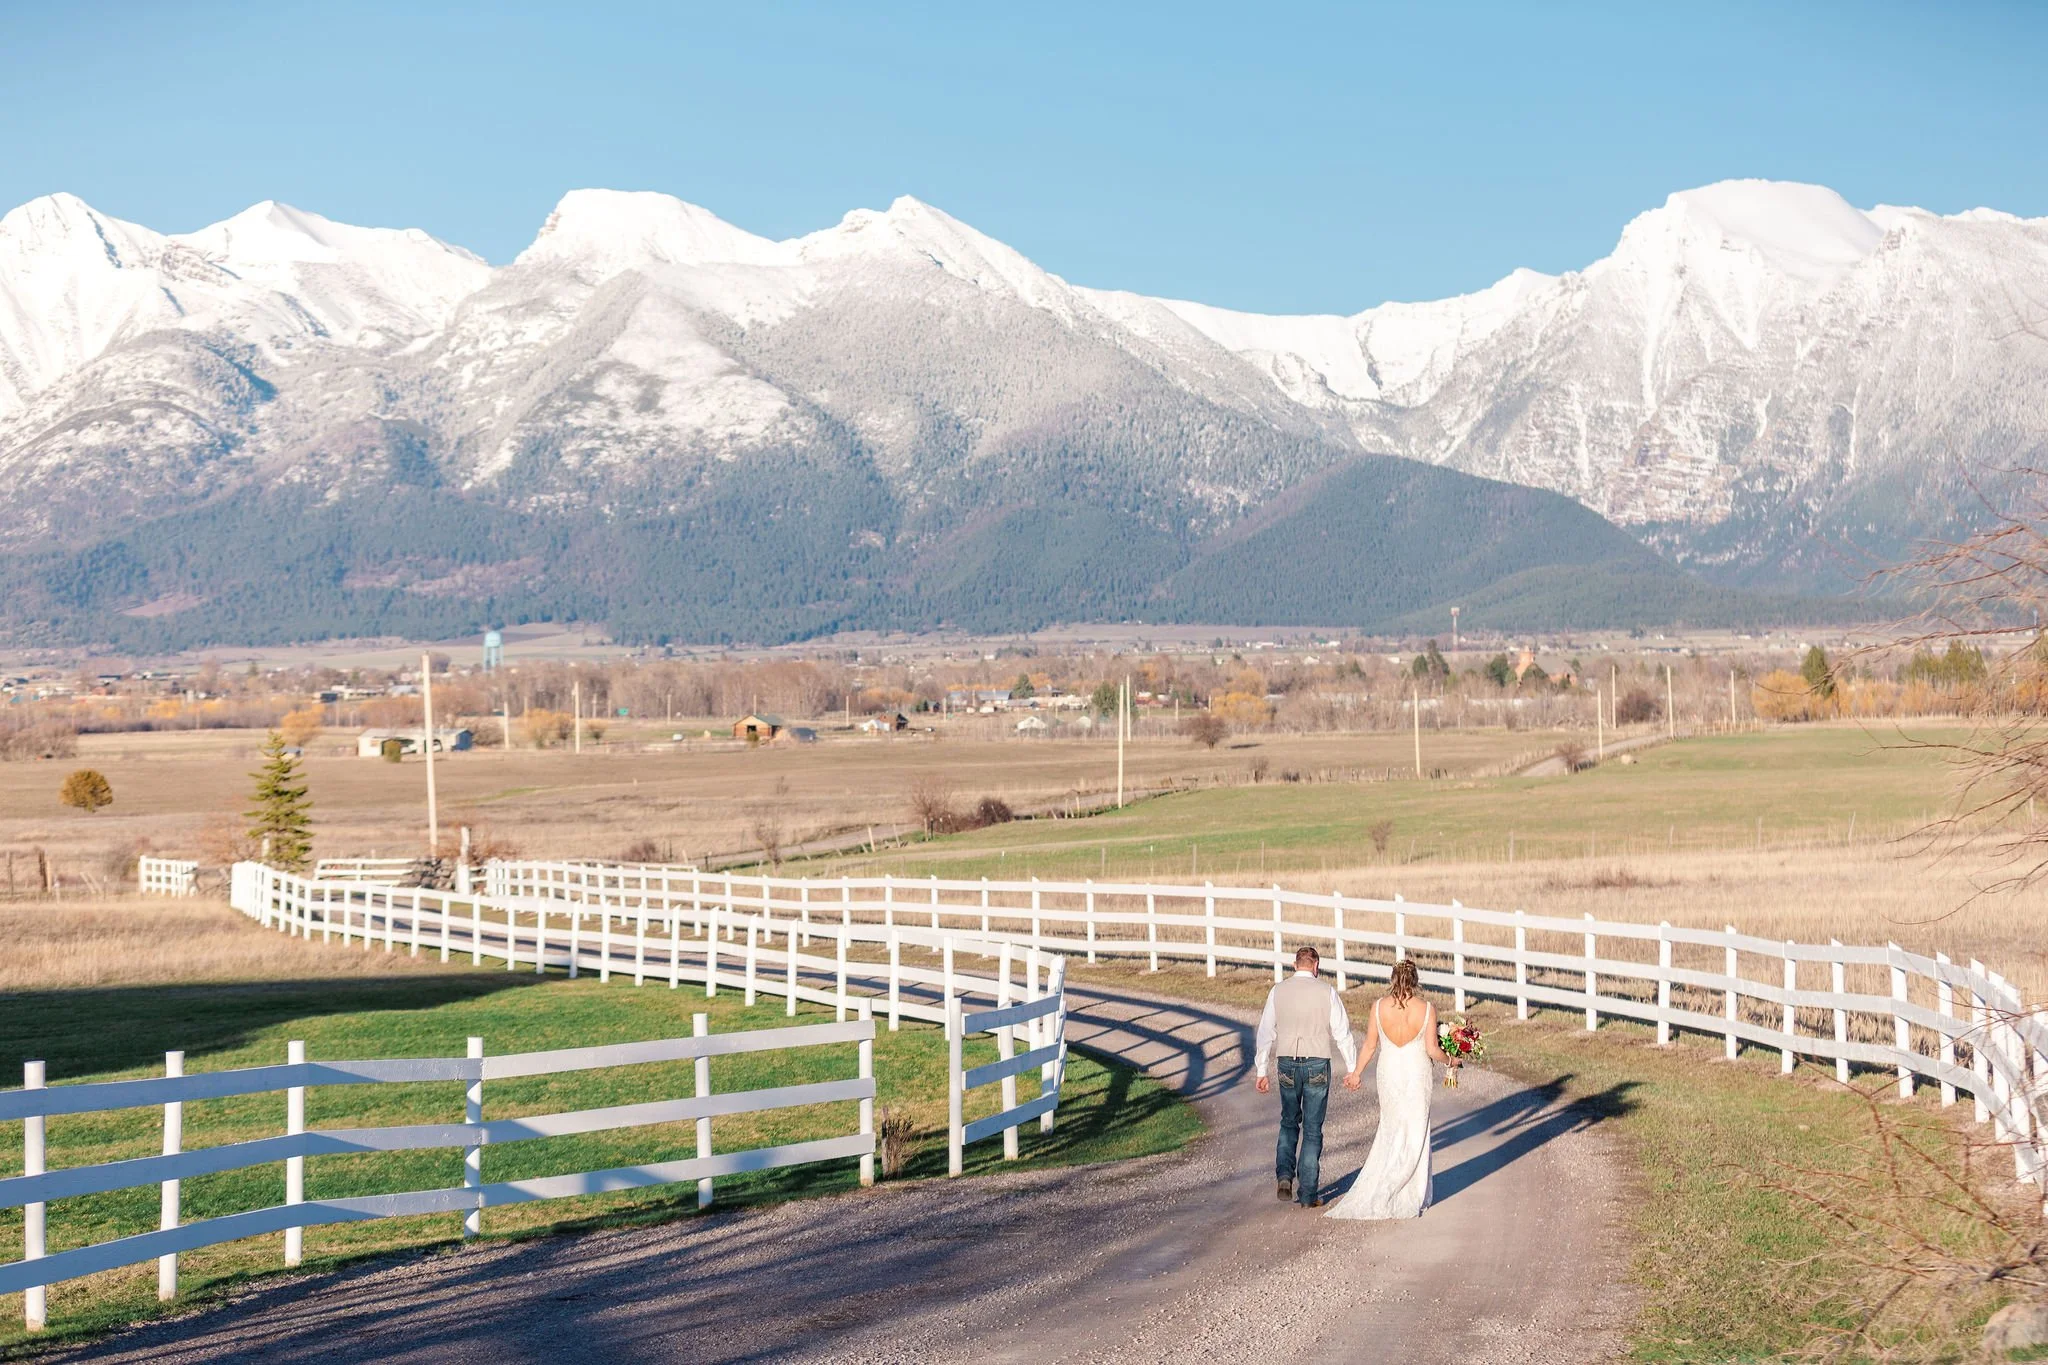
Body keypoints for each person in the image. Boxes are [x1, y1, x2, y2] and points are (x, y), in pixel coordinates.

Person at [1324, 958, 1461, 1220]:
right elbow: (1432, 1049)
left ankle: (1387, 1183)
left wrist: (1356, 1073)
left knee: (1392, 1126)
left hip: (1389, 1071)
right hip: (1415, 1070)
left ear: (1392, 980)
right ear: (1416, 981)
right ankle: (1405, 1190)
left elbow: (1369, 1046)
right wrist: (1451, 1061)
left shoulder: (1378, 1007)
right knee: (1415, 1128)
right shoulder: (1427, 1008)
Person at [1253, 945, 1359, 1208]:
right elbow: (1342, 1032)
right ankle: (1309, 1194)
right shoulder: (1327, 992)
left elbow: (1266, 1032)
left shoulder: (1278, 991)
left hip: (1287, 1060)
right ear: (1316, 966)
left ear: (1294, 965)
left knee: (1289, 1121)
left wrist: (1261, 1070)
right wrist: (1352, 1068)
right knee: (1312, 1129)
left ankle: (1285, 1175)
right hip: (1316, 1061)